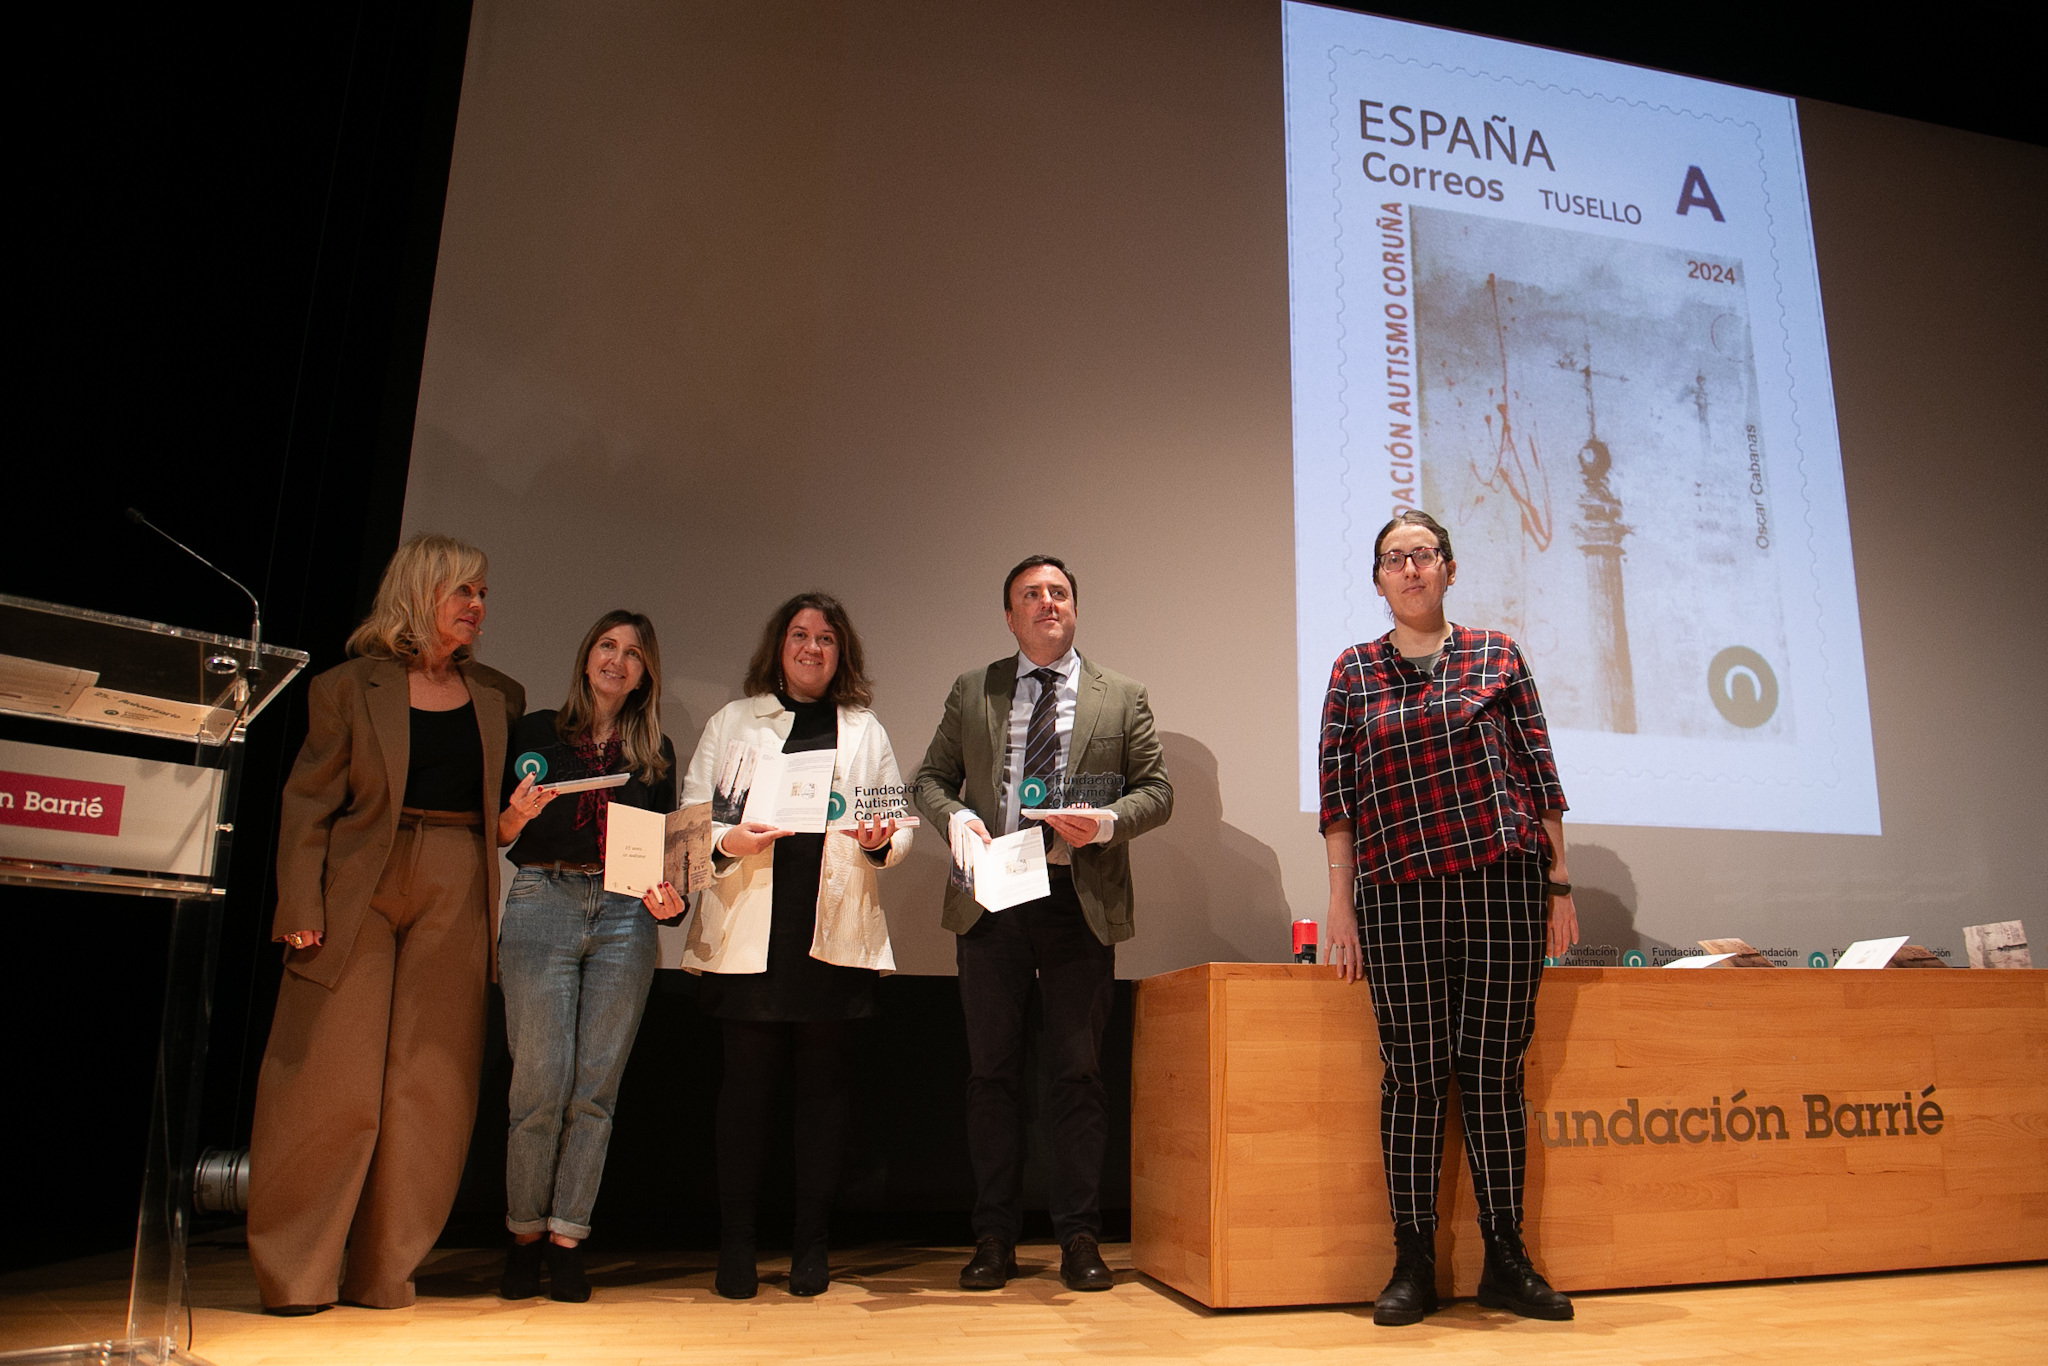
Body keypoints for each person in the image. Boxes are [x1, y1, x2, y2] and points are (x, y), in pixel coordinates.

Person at [247, 533, 525, 1313]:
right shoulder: (346, 687)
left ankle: (382, 1274)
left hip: (457, 879)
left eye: (482, 593)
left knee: (427, 1088)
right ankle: (298, 1276)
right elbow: (307, 804)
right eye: (462, 590)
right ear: (417, 592)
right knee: (328, 1080)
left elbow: (500, 809)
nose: (476, 606)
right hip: (358, 880)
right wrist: (300, 905)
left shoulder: (500, 695)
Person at [1317, 510, 1579, 1326]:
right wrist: (1339, 904)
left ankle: (1506, 1257)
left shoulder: (1497, 654)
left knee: (1495, 1072)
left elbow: (1539, 772)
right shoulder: (1353, 671)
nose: (1410, 569)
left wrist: (1559, 883)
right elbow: (1338, 800)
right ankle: (1413, 1261)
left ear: (1449, 569)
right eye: (1394, 558)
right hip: (1396, 893)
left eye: (1423, 554)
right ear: (1378, 578)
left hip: (1502, 884)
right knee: (1414, 1075)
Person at [913, 555, 1173, 1293]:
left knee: (1078, 1074)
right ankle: (993, 1237)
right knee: (991, 1075)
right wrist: (956, 819)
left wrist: (1108, 822)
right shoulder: (975, 688)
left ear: (1074, 609)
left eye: (1059, 592)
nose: (1047, 603)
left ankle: (1080, 1238)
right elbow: (929, 779)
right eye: (1032, 594)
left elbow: (1157, 790)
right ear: (1010, 616)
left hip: (1077, 898)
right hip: (993, 894)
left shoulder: (1122, 695)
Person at [677, 592, 910, 1300]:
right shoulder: (733, 720)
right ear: (778, 647)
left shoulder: (863, 729)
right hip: (751, 933)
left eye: (827, 638)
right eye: (801, 635)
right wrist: (728, 840)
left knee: (823, 1097)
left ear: (842, 654)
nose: (813, 647)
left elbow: (896, 827)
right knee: (744, 1099)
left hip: (829, 936)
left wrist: (881, 841)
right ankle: (737, 1245)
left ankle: (812, 1245)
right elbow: (690, 819)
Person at [492, 610, 678, 1302]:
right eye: (607, 645)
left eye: (633, 653)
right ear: (587, 655)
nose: (617, 660)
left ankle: (567, 1239)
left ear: (644, 674)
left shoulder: (655, 752)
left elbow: (668, 854)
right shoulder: (535, 732)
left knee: (595, 1090)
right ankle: (523, 1238)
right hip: (543, 900)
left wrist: (671, 900)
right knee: (538, 1085)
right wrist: (516, 814)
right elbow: (499, 830)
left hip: (626, 916)